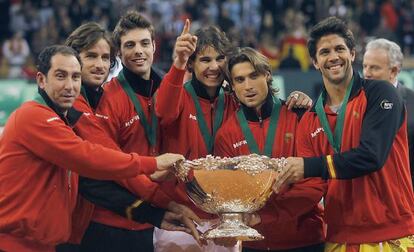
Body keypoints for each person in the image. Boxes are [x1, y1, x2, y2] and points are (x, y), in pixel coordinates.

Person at [0, 45, 184, 252]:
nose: (70, 86)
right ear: (41, 80)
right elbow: (88, 157)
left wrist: (153, 211)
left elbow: (91, 177)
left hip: (43, 245)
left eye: (75, 77)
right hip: (16, 244)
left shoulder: (63, 122)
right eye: (61, 76)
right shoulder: (34, 116)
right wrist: (153, 163)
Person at [155, 21, 313, 252]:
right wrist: (178, 63)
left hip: (228, 219)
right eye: (205, 60)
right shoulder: (178, 95)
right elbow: (163, 112)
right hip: (184, 214)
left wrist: (299, 98)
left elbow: (265, 103)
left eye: (220, 59)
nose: (214, 67)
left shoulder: (234, 100)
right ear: (192, 63)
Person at [56, 22, 202, 252]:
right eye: (129, 45)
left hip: (145, 218)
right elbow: (110, 163)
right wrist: (163, 197)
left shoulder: (167, 89)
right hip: (105, 222)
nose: (99, 64)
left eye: (104, 57)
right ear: (121, 53)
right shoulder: (94, 101)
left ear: (155, 46)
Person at [273, 17, 414, 251]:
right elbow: (312, 187)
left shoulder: (381, 93)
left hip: (392, 235)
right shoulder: (310, 119)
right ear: (315, 62)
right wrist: (263, 212)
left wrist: (307, 166)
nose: (333, 57)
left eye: (339, 49)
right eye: (324, 52)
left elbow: (371, 156)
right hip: (339, 239)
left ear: (352, 54)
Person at [214, 47, 325, 252]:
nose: (248, 86)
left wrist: (268, 215)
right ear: (232, 86)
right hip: (255, 244)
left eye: (253, 76)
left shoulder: (298, 116)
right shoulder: (226, 134)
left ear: (267, 75)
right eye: (239, 80)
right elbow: (229, 192)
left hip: (304, 240)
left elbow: (315, 184)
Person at [363, 38, 414, 188]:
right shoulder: (356, 101)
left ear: (394, 71)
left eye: (374, 68)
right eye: (365, 66)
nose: (367, 73)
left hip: (403, 193)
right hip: (366, 192)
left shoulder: (411, 102)